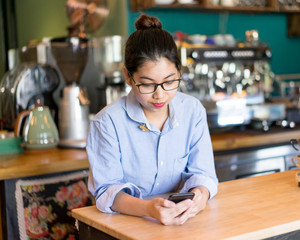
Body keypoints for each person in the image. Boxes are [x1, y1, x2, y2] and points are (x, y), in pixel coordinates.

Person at [86, 14, 218, 226]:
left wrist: (199, 198)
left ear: (179, 72)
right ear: (128, 77)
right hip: (126, 225)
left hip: (184, 224)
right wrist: (148, 209)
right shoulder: (107, 123)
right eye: (147, 84)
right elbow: (106, 191)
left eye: (169, 82)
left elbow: (203, 175)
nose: (160, 95)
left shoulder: (192, 111)